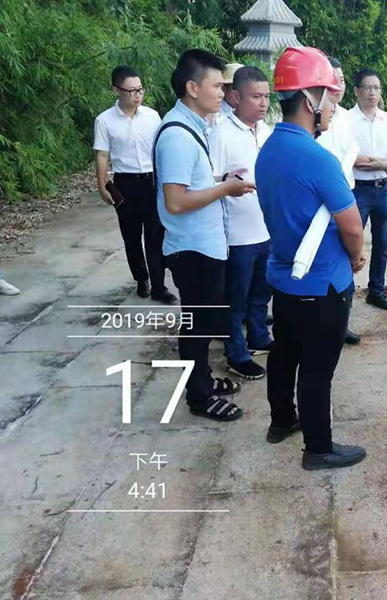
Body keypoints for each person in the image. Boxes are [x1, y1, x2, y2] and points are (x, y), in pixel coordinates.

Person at [256, 46, 367, 471]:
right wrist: (356, 257)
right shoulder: (319, 159)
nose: (334, 107)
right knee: (318, 368)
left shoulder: (268, 150)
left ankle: (282, 420)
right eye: (330, 98)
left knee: (284, 353)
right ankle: (319, 449)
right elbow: (352, 227)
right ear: (308, 100)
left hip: (284, 277)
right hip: (323, 283)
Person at [155, 49, 255, 421]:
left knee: (206, 320)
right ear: (192, 88)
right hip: (192, 248)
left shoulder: (193, 125)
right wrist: (225, 189)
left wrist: (220, 180)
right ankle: (199, 397)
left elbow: (191, 182)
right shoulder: (177, 136)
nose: (223, 93)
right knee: (197, 326)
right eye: (217, 86)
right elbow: (176, 200)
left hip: (206, 244)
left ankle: (204, 379)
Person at [208, 66, 273, 381]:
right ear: (236, 96)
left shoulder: (267, 131)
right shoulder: (221, 134)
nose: (263, 103)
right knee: (235, 299)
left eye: (267, 97)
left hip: (266, 228)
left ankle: (258, 336)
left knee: (262, 292)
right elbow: (208, 181)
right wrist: (227, 183)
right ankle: (236, 353)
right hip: (237, 233)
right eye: (256, 96)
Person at [94, 65, 177, 305]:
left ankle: (159, 286)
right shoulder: (105, 120)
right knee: (131, 236)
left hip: (152, 181)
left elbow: (162, 148)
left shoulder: (152, 116)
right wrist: (101, 186)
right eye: (131, 91)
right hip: (125, 183)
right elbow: (102, 154)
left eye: (140, 89)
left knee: (155, 234)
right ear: (116, 90)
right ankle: (142, 279)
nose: (137, 95)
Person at [317, 56, 362, 344]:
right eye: (334, 80)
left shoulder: (347, 117)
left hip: (346, 195)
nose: (339, 85)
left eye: (342, 80)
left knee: (346, 263)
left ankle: (342, 321)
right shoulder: (313, 118)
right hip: (320, 200)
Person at [351, 68, 387, 311]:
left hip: (384, 190)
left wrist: (382, 164)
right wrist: (379, 162)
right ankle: (345, 293)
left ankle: (376, 290)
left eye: (377, 88)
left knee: (382, 244)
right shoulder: (346, 121)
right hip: (357, 190)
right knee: (350, 243)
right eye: (368, 87)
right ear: (356, 91)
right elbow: (348, 157)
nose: (372, 92)